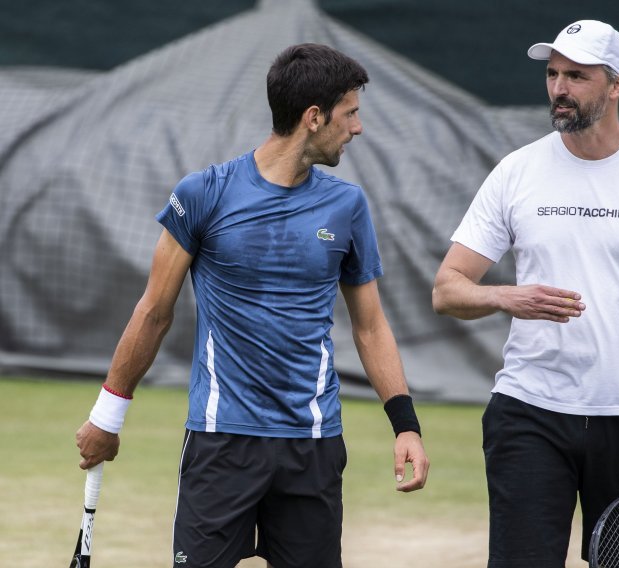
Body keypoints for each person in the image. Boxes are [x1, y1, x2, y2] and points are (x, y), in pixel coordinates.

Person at [76, 43, 429, 568]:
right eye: (350, 113)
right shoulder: (203, 194)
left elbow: (371, 327)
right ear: (314, 118)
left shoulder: (348, 206)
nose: (357, 128)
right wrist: (108, 417)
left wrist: (406, 426)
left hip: (313, 445)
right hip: (221, 445)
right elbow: (153, 311)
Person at [432, 20, 619, 567]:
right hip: (529, 412)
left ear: (617, 85)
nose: (559, 88)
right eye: (552, 74)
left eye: (577, 76)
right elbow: (447, 289)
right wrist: (507, 297)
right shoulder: (517, 171)